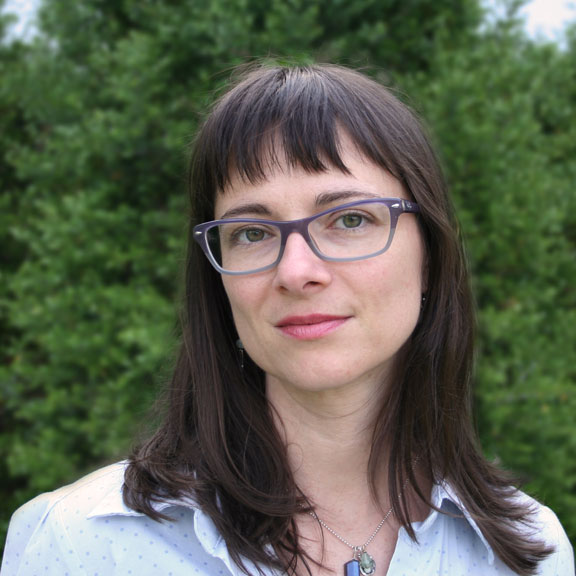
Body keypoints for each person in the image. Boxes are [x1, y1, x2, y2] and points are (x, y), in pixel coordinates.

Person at [1, 63, 573, 576]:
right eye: (252, 233)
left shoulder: (524, 553)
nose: (297, 271)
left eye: (349, 220)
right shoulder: (84, 545)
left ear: (430, 256)